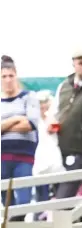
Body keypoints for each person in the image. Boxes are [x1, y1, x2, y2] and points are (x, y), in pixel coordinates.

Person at [47, 49, 82, 199]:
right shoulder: (64, 86)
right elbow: (53, 112)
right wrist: (51, 122)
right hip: (60, 148)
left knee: (63, 198)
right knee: (61, 192)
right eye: (81, 63)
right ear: (73, 64)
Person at [1, 55, 39, 219]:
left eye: (11, 76)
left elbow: (30, 124)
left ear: (16, 76)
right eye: (4, 76)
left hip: (24, 157)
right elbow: (22, 122)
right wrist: (17, 118)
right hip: (2, 158)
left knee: (23, 200)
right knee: (7, 202)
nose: (8, 80)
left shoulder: (29, 97)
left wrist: (4, 126)